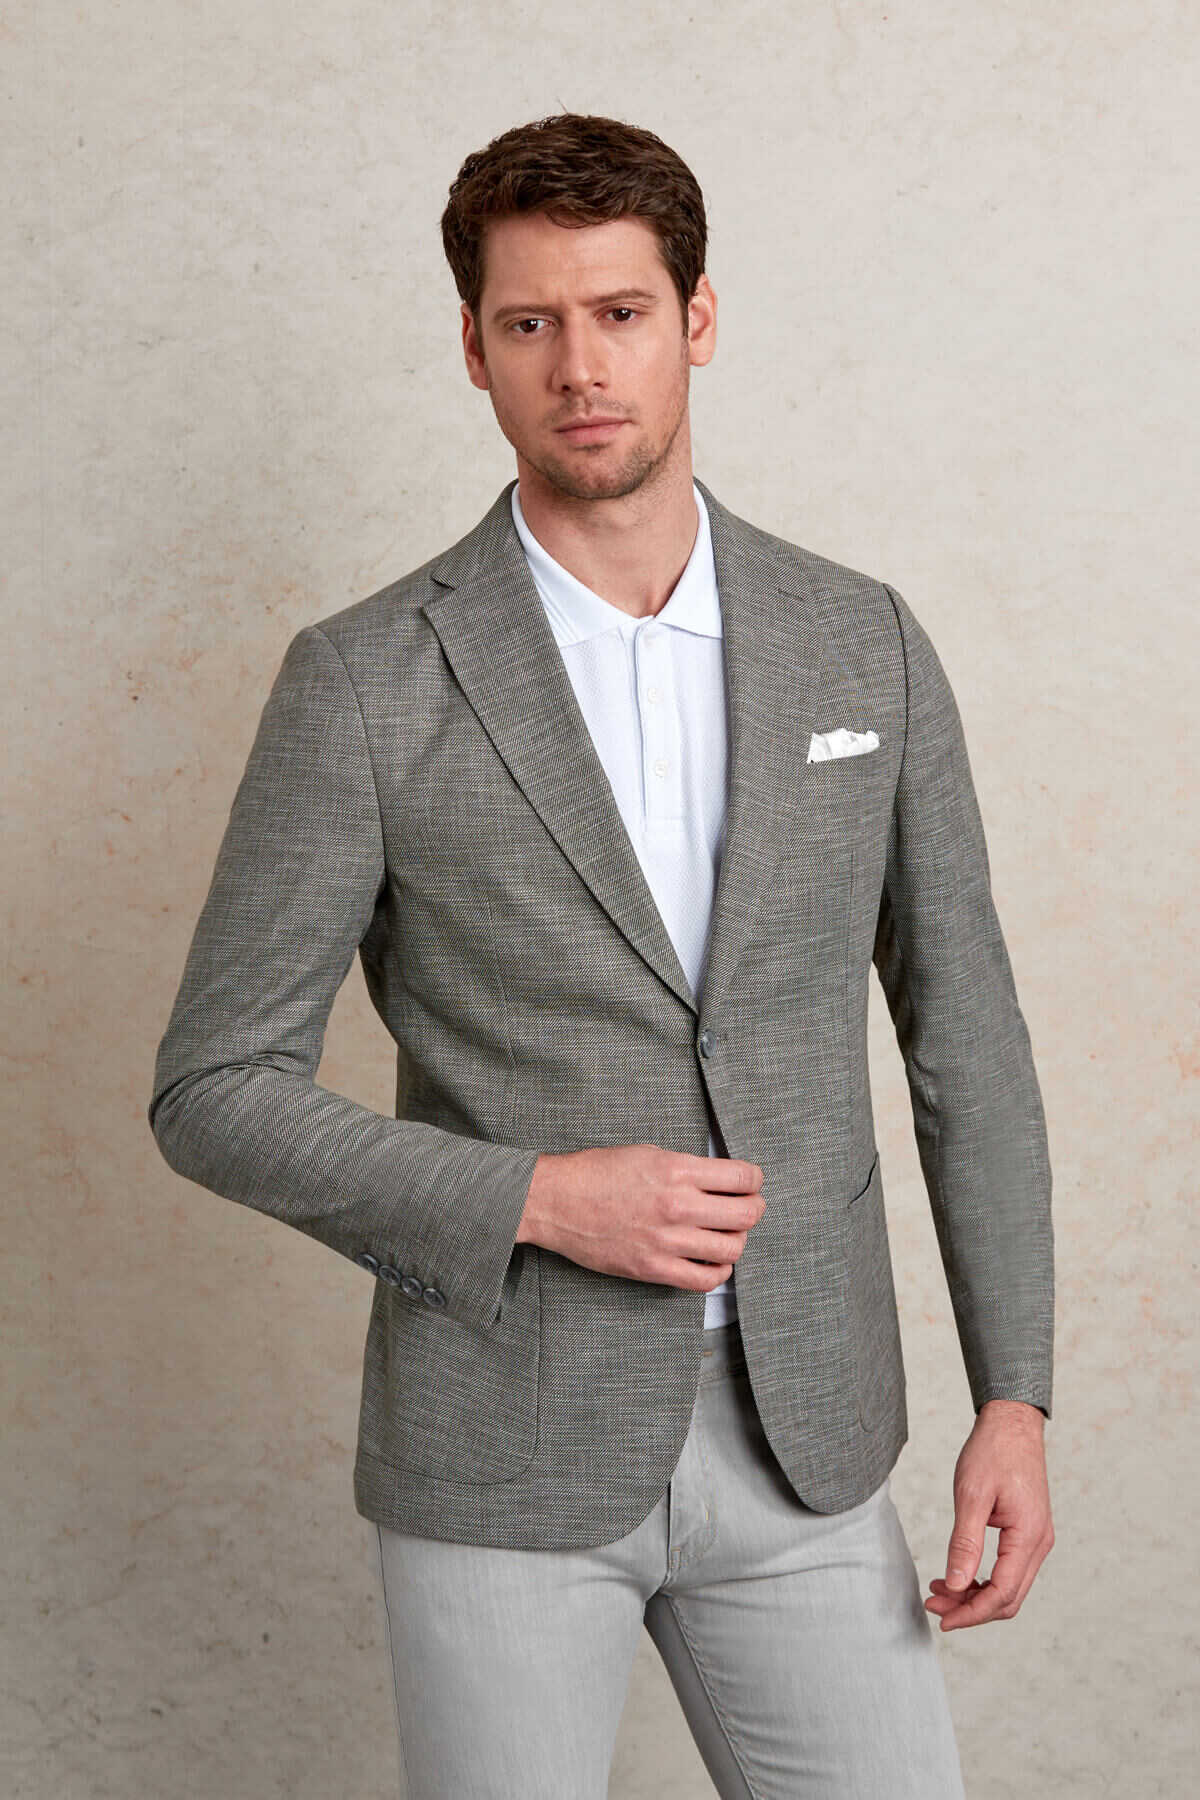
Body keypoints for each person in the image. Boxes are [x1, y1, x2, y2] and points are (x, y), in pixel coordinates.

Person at [149, 111, 1055, 1798]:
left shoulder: (862, 640)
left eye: (621, 313)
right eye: (530, 323)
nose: (580, 367)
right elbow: (212, 1089)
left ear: (696, 319)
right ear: (474, 349)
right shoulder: (364, 682)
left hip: (809, 1443)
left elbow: (970, 1044)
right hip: (501, 1456)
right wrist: (538, 1198)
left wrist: (1018, 1396)